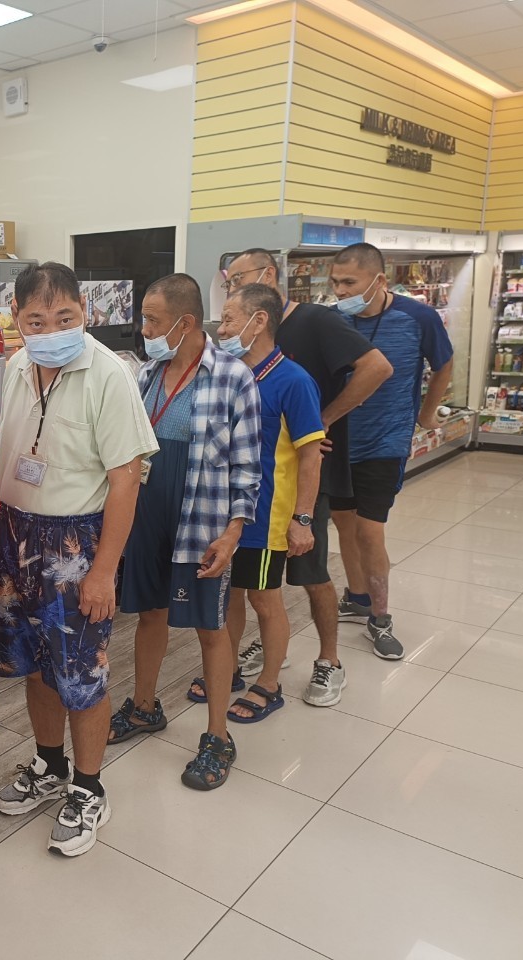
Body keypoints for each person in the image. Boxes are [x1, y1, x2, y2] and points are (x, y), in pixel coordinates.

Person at [0, 262, 158, 856]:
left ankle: (88, 787)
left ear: (84, 313)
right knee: (35, 665)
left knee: (83, 673)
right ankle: (49, 764)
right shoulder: (15, 367)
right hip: (14, 535)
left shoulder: (108, 374)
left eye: (65, 317)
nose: (52, 330)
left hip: (76, 543)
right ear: (17, 318)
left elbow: (126, 479)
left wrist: (104, 570)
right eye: (37, 320)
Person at [109, 274, 261, 791]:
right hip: (147, 509)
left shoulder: (234, 378)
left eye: (153, 321)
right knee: (149, 614)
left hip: (201, 515)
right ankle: (144, 706)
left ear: (187, 322)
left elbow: (248, 466)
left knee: (210, 627)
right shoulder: (147, 373)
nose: (145, 330)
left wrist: (233, 532)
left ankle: (218, 736)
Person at [222, 249, 391, 706]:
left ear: (266, 277)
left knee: (309, 576)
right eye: (228, 282)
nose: (230, 289)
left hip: (293, 488)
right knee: (246, 590)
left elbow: (378, 367)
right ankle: (250, 659)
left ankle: (328, 659)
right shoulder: (235, 367)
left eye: (236, 279)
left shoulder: (314, 325)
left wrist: (320, 424)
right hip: (246, 499)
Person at [328, 242, 454, 660]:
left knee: (369, 530)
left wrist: (427, 412)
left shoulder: (418, 317)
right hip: (339, 441)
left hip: (386, 440)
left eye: (350, 282)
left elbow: (444, 363)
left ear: (379, 280)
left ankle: (380, 617)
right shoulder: (333, 319)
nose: (341, 290)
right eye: (335, 282)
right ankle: (357, 597)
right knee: (343, 524)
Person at [214, 284, 325, 723]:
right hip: (224, 512)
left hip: (265, 516)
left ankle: (269, 683)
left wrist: (302, 519)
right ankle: (228, 669)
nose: (221, 329)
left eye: (228, 319)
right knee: (229, 595)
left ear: (259, 321)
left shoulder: (292, 381)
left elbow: (311, 455)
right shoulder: (228, 373)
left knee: (265, 598)